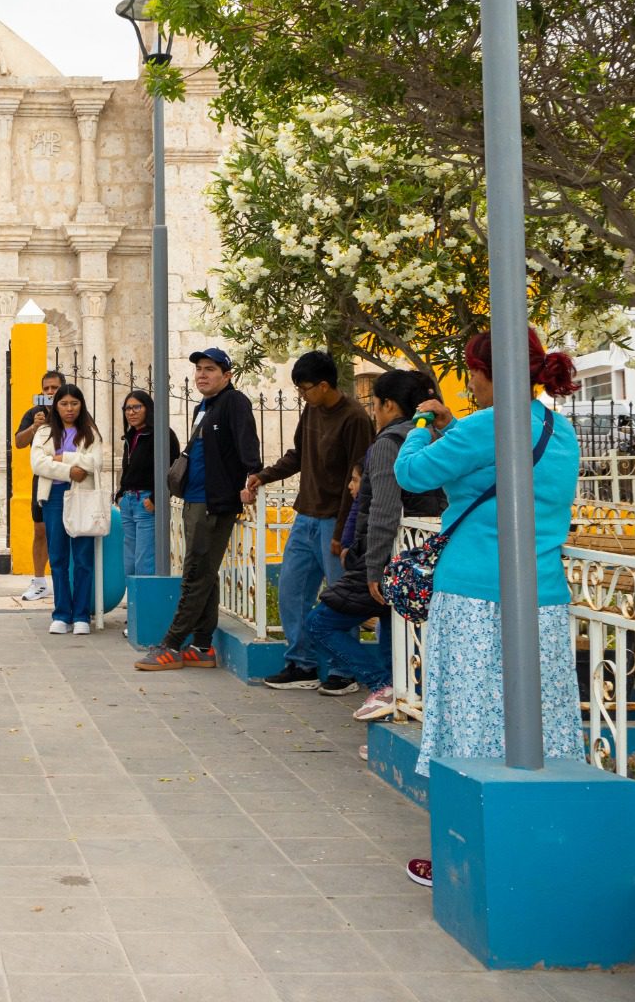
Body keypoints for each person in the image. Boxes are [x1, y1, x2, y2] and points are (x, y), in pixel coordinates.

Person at [394, 328, 583, 888]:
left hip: (474, 597)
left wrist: (424, 423)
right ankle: (538, 849)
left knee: (467, 724)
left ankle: (466, 854)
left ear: (485, 372)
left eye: (471, 372)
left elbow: (412, 473)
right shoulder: (558, 428)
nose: (469, 384)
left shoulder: (484, 426)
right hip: (542, 598)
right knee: (537, 726)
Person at [304, 369, 445, 714]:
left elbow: (383, 507)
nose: (374, 412)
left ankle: (383, 687)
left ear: (390, 405)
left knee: (320, 624)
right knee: (392, 634)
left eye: (376, 404)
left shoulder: (388, 443)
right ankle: (398, 704)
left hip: (390, 556)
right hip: (424, 554)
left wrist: (373, 567)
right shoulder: (438, 438)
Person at [244, 350, 373, 691]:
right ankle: (303, 664)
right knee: (291, 590)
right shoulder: (312, 410)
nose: (302, 395)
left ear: (325, 385)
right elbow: (298, 455)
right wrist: (263, 476)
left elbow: (356, 480)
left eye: (305, 389)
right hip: (305, 516)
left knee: (339, 597)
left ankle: (345, 672)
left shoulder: (356, 419)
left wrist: (344, 533)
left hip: (335, 521)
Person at [135, 348, 263, 670]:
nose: (202, 375)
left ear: (227, 375)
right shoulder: (203, 407)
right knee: (205, 574)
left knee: (194, 574)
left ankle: (171, 644)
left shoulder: (235, 402)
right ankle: (203, 646)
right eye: (199, 369)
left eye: (210, 369)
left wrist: (252, 478)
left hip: (214, 502)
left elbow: (249, 445)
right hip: (195, 499)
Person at [30, 383, 104, 636]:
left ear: (81, 405)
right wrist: (71, 469)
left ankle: (82, 615)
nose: (69, 408)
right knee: (58, 557)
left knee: (83, 558)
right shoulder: (44, 433)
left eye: (74, 403)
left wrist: (63, 458)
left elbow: (96, 463)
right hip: (54, 497)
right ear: (56, 406)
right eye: (64, 403)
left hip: (82, 497)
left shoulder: (90, 433)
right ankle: (61, 613)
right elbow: (38, 464)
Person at [115, 388, 181, 580]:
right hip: (128, 502)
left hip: (146, 503)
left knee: (145, 558)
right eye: (127, 408)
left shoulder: (162, 434)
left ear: (148, 409)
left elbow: (173, 470)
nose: (131, 412)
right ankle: (135, 601)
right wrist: (120, 494)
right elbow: (128, 469)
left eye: (137, 407)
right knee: (129, 559)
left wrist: (156, 498)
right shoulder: (131, 436)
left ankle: (145, 603)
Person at [13, 369, 65, 600]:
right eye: (47, 388)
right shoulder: (34, 412)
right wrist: (34, 427)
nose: (50, 392)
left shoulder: (72, 410)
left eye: (54, 388)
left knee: (69, 530)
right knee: (40, 529)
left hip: (68, 477)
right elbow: (18, 442)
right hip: (43, 480)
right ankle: (39, 582)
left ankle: (65, 580)